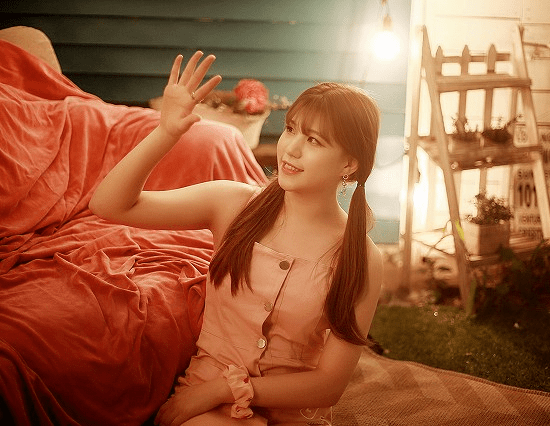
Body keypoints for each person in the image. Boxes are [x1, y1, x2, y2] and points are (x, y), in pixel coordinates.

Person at [89, 51, 383, 425]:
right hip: (204, 411)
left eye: (314, 140)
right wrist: (166, 133)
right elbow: (110, 204)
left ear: (349, 163)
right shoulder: (233, 204)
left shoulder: (361, 257)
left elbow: (329, 386)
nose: (291, 148)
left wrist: (221, 390)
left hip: (286, 413)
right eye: (291, 129)